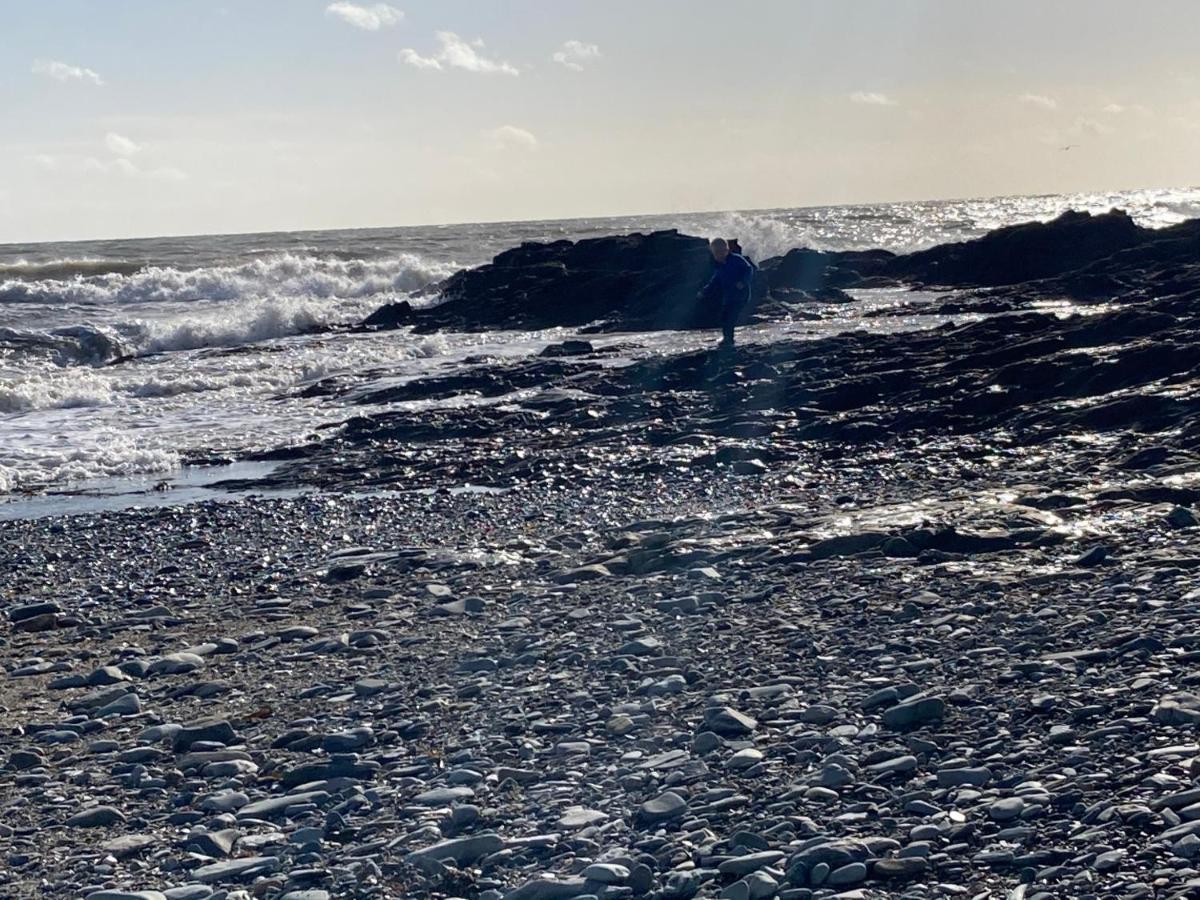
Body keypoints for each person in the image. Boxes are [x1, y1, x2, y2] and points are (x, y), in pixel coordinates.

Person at [697, 237, 754, 348]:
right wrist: (704, 292)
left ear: (727, 250)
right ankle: (727, 338)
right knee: (724, 317)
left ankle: (729, 340)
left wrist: (743, 282)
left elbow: (749, 270)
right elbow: (714, 282)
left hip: (741, 295)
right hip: (729, 297)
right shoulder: (720, 267)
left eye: (721, 252)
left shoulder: (736, 260)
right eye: (715, 253)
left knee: (730, 317)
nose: (718, 255)